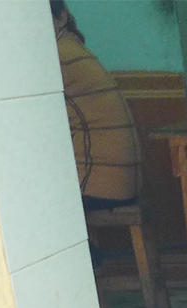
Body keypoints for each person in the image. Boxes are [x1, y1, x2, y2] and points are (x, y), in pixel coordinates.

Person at [50, 0, 142, 214]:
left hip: (99, 186)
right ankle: (91, 248)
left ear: (62, 17)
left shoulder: (56, 57)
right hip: (123, 182)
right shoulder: (73, 48)